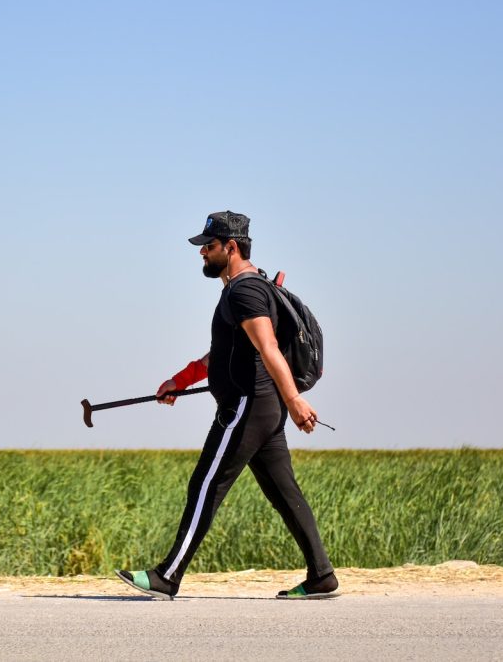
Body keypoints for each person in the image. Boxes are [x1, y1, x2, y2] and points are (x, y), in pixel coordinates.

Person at [115, 210, 339, 601]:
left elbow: (269, 348)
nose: (202, 253)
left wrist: (295, 400)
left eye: (209, 246)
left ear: (231, 247)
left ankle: (168, 575)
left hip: (247, 408)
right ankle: (321, 575)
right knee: (285, 493)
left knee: (205, 485)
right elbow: (221, 354)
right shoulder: (242, 290)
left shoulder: (245, 291)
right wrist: (179, 381)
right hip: (261, 409)